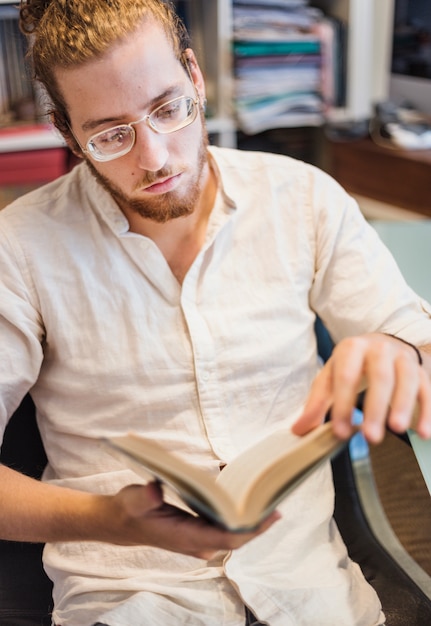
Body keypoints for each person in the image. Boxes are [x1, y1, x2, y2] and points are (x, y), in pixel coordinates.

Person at [1, 1, 431, 624]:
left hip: (307, 588)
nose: (154, 157)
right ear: (68, 134)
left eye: (168, 107)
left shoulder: (302, 198)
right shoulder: (19, 247)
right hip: (133, 596)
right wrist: (109, 520)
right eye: (111, 134)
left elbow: (420, 349)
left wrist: (399, 351)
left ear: (196, 77)